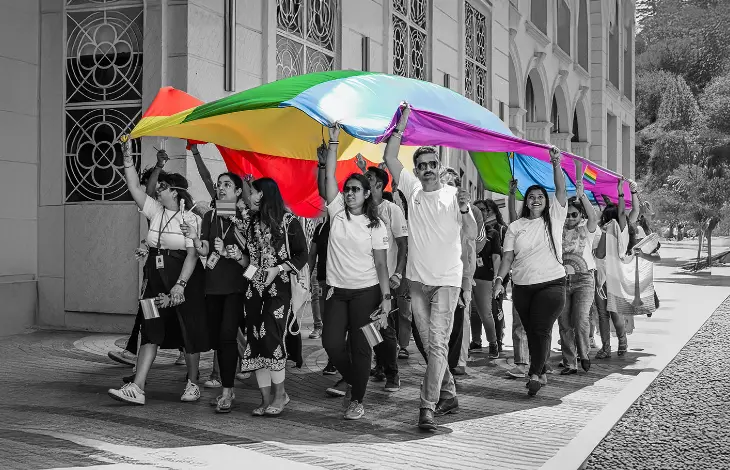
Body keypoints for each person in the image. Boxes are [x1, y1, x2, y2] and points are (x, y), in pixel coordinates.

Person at [382, 105, 477, 430]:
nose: (426, 170)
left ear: (439, 166)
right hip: (418, 284)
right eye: (421, 166)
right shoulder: (412, 190)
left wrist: (465, 209)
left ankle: (427, 407)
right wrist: (401, 126)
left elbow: (470, 235)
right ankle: (448, 394)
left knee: (436, 346)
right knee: (430, 346)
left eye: (431, 165)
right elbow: (390, 158)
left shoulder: (455, 196)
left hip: (447, 283)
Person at [108, 138, 208, 405]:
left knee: (187, 331)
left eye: (162, 187)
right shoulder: (155, 210)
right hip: (154, 283)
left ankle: (192, 383)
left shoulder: (192, 218)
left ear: (175, 192)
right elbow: (133, 186)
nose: (156, 190)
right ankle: (137, 387)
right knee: (150, 328)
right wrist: (127, 156)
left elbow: (192, 255)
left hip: (183, 284)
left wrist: (181, 285)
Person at [321, 124, 392, 420]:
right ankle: (352, 378)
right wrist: (335, 141)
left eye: (355, 190)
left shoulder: (376, 226)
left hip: (366, 292)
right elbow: (328, 175)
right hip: (337, 292)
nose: (349, 194)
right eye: (347, 189)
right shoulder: (336, 212)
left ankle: (358, 399)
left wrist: (386, 298)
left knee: (363, 347)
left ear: (366, 194)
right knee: (331, 343)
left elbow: (381, 265)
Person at [493, 146, 568, 397]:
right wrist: (499, 280)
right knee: (531, 330)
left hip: (552, 284)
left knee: (541, 329)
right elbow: (507, 257)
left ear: (547, 202)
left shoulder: (555, 218)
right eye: (532, 196)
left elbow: (559, 189)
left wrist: (556, 164)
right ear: (527, 201)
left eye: (540, 196)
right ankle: (542, 368)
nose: (536, 199)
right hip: (522, 287)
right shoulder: (516, 226)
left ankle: (534, 374)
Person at [241, 177, 308, 417]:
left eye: (253, 192)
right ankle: (265, 398)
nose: (250, 197)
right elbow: (249, 262)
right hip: (254, 290)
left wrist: (278, 269)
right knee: (256, 341)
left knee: (271, 337)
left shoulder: (288, 222)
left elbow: (303, 255)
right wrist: (248, 272)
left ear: (264, 195)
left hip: (279, 290)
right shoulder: (251, 224)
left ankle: (281, 395)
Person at [184, 172, 249, 413]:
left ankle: (227, 391)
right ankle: (227, 382)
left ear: (238, 191)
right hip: (212, 286)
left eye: (227, 185)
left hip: (235, 286)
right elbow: (204, 249)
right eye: (219, 185)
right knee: (218, 339)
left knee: (227, 336)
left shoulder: (244, 216)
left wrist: (230, 251)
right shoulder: (210, 216)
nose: (221, 189)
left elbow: (249, 253)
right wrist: (194, 239)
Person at [440, 168, 485, 376]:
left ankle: (459, 360)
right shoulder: (434, 207)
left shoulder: (469, 209)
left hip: (460, 275)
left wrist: (467, 281)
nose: (446, 186)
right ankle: (442, 361)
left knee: (461, 319)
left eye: (450, 183)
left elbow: (474, 241)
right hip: (434, 275)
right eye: (443, 182)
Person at [557, 179, 598, 375]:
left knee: (581, 319)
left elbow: (593, 217)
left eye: (574, 214)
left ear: (580, 215)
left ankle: (584, 354)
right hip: (561, 281)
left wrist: (582, 195)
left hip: (584, 280)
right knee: (564, 323)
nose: (570, 218)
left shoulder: (586, 230)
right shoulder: (555, 231)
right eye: (567, 214)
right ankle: (569, 362)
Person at [470, 198, 505, 358]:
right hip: (466, 276)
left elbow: (497, 257)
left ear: (487, 212)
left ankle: (493, 343)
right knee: (472, 313)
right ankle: (476, 341)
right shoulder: (465, 230)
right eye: (476, 209)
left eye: (483, 209)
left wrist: (497, 278)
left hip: (485, 277)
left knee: (485, 312)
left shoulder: (492, 232)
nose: (480, 212)